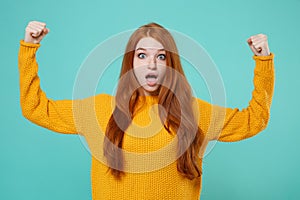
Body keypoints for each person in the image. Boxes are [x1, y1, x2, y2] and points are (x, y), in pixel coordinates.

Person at [18, 21, 274, 200]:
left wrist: (263, 61)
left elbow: (255, 119)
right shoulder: (98, 109)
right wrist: (29, 48)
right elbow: (36, 108)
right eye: (141, 55)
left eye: (161, 56)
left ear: (170, 63)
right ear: (130, 61)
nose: (151, 64)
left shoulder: (194, 112)